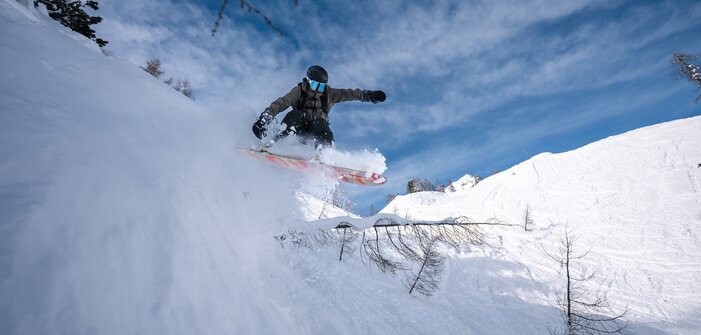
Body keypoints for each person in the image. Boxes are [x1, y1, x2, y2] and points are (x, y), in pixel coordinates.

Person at [252, 65, 386, 148]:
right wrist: (265, 119)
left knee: (320, 121)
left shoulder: (329, 94)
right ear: (308, 81)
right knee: (296, 114)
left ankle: (323, 150)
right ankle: (279, 142)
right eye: (316, 85)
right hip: (298, 130)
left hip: (316, 133)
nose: (318, 90)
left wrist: (369, 95)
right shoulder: (298, 91)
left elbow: (349, 93)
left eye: (321, 86)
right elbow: (282, 103)